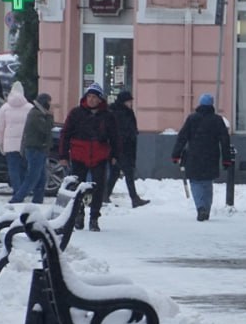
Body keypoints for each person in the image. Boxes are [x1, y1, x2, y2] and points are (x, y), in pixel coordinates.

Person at [59, 84, 121, 231]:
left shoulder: (108, 116)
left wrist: (115, 155)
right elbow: (65, 135)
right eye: (89, 96)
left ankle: (94, 218)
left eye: (95, 97)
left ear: (100, 99)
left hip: (99, 156)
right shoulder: (76, 113)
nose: (92, 100)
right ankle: (78, 215)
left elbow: (115, 137)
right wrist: (63, 155)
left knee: (98, 188)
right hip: (79, 155)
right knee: (78, 187)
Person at [171, 93, 232, 221]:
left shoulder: (192, 119)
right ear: (212, 105)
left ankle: (200, 207)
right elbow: (225, 140)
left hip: (194, 156)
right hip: (211, 156)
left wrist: (176, 154)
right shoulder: (217, 120)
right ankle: (206, 208)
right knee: (207, 183)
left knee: (195, 182)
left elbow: (182, 137)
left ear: (199, 104)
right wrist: (226, 159)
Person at [106, 90, 149, 208]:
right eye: (129, 101)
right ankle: (134, 199)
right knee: (128, 173)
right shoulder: (120, 113)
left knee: (115, 173)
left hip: (122, 148)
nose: (131, 103)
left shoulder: (123, 111)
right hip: (123, 148)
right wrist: (130, 136)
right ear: (124, 101)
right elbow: (121, 131)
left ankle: (105, 196)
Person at [0, 81, 32, 196]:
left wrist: (0, 143)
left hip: (10, 145)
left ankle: (16, 190)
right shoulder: (30, 108)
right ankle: (23, 191)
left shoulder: (4, 108)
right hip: (25, 144)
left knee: (13, 169)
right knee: (24, 168)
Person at [17, 92, 54, 203]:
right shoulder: (36, 114)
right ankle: (17, 198)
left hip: (39, 149)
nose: (50, 105)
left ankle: (38, 200)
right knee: (32, 177)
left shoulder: (38, 113)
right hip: (35, 149)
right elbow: (46, 129)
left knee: (41, 178)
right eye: (49, 103)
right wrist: (50, 116)